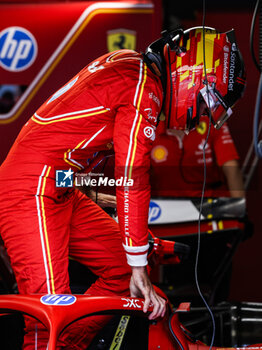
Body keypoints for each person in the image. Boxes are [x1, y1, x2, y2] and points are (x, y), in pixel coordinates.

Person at [0, 27, 246, 349]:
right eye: (203, 105)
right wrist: (139, 263)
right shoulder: (143, 88)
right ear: (192, 78)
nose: (199, 116)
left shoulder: (134, 68)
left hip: (57, 187)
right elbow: (133, 175)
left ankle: (68, 345)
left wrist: (90, 190)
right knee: (50, 316)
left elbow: (65, 152)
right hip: (30, 190)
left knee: (121, 270)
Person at [150, 117, 245, 198]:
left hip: (211, 206)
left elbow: (232, 168)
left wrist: (239, 209)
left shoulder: (211, 120)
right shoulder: (150, 128)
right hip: (165, 210)